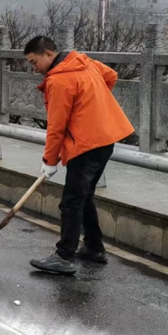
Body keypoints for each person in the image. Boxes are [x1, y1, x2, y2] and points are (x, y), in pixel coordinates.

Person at [23, 35, 135, 275]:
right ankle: (93, 248)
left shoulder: (60, 81)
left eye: (34, 62)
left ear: (49, 55)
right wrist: (94, 107)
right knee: (84, 197)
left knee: (72, 201)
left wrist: (49, 161)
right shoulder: (83, 62)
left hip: (86, 145)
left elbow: (56, 126)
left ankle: (64, 256)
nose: (34, 69)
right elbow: (111, 77)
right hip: (105, 139)